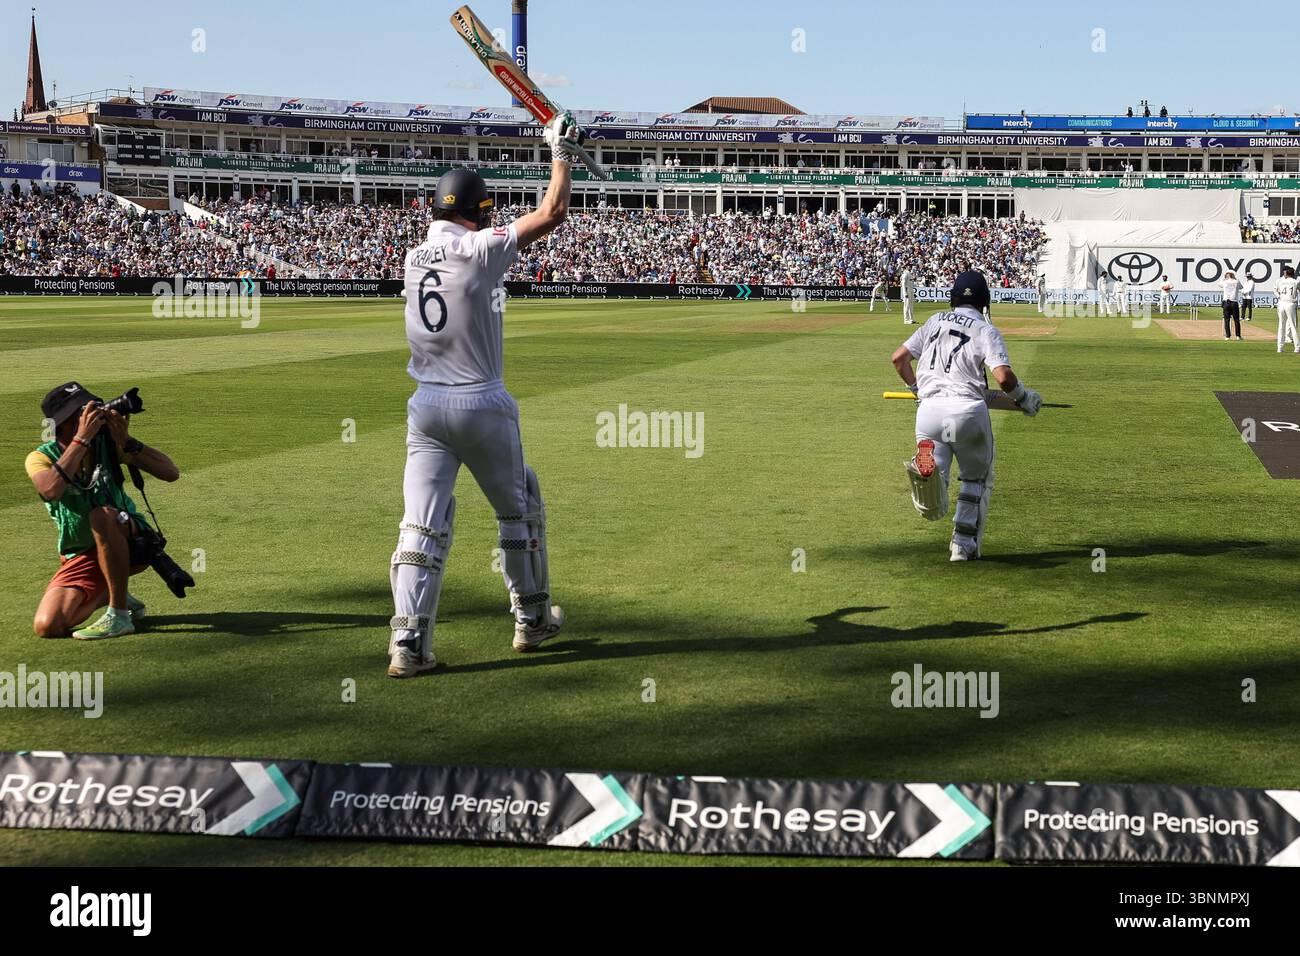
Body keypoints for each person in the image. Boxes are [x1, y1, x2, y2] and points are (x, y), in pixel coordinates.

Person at [386, 113, 584, 678]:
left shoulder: (413, 256)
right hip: (480, 401)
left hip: (425, 407)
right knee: (518, 508)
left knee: (420, 526)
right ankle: (531, 619)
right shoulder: (478, 249)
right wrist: (560, 151)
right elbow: (552, 213)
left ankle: (408, 645)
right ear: (477, 213)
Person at [890, 270, 1043, 562]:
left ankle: (930, 474)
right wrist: (1024, 399)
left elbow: (898, 359)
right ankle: (962, 545)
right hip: (967, 411)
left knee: (936, 485)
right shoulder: (985, 329)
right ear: (985, 300)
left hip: (930, 411)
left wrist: (916, 389)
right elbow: (1005, 379)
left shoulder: (934, 321)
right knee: (976, 479)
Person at [27, 384, 180, 639]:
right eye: (82, 413)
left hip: (128, 537)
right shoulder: (40, 458)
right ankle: (113, 591)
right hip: (81, 553)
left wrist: (127, 442)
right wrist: (81, 440)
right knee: (48, 626)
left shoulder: (109, 446)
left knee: (102, 516)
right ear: (62, 423)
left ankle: (119, 615)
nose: (92, 416)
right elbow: (50, 490)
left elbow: (170, 473)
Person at [1275, 266, 1300, 353]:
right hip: (1290, 303)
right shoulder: (1295, 282)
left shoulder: (1281, 281)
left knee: (1281, 326)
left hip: (1281, 303)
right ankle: (1297, 348)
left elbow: (1276, 290)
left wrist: (1278, 296)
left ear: (1286, 273)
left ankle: (1280, 348)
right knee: (1293, 326)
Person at [1221, 270, 1243, 340]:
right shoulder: (1236, 281)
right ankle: (1238, 336)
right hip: (1234, 302)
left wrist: (1224, 278)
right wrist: (1236, 278)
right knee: (1236, 320)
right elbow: (1241, 287)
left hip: (1226, 302)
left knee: (1226, 320)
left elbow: (1219, 284)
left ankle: (1228, 336)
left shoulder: (1225, 282)